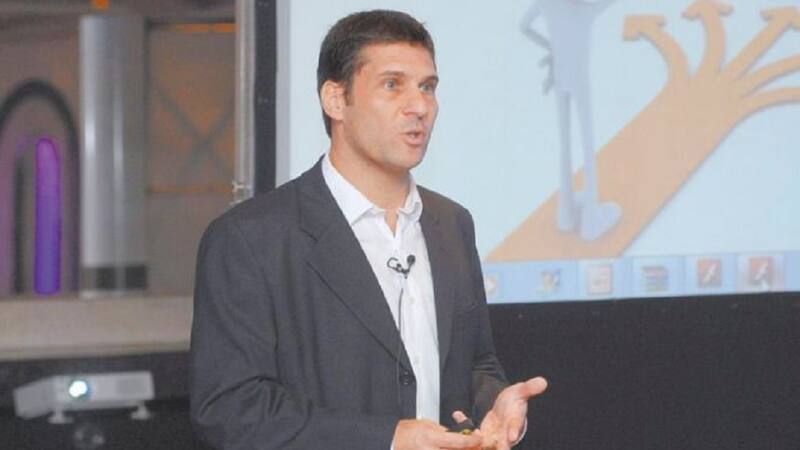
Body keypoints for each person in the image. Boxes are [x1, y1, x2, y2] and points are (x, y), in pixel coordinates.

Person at [190, 10, 547, 450]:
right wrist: (388, 439)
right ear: (335, 100)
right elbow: (230, 410)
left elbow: (474, 364)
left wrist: (495, 404)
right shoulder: (250, 238)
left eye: (427, 87)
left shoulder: (452, 224)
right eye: (392, 85)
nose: (419, 107)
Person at [519, 0, 620, 241]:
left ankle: (564, 215)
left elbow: (524, 26)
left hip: (560, 75)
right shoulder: (586, 6)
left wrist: (550, 47)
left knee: (565, 144)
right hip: (579, 79)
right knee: (587, 145)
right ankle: (591, 222)